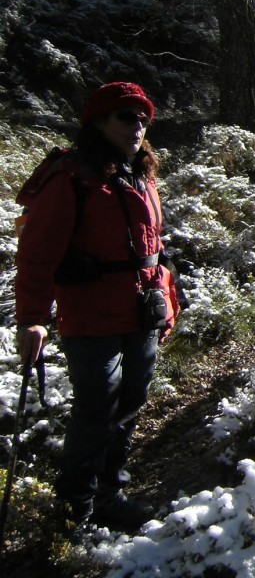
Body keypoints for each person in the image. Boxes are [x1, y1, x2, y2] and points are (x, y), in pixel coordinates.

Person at [14, 82, 180, 531]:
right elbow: (37, 254)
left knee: (128, 406)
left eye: (143, 118)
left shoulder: (141, 177)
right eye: (125, 116)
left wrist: (166, 300)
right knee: (96, 410)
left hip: (141, 315)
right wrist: (32, 319)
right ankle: (74, 511)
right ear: (98, 121)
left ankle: (110, 494)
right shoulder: (70, 178)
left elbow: (153, 251)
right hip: (90, 317)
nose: (137, 125)